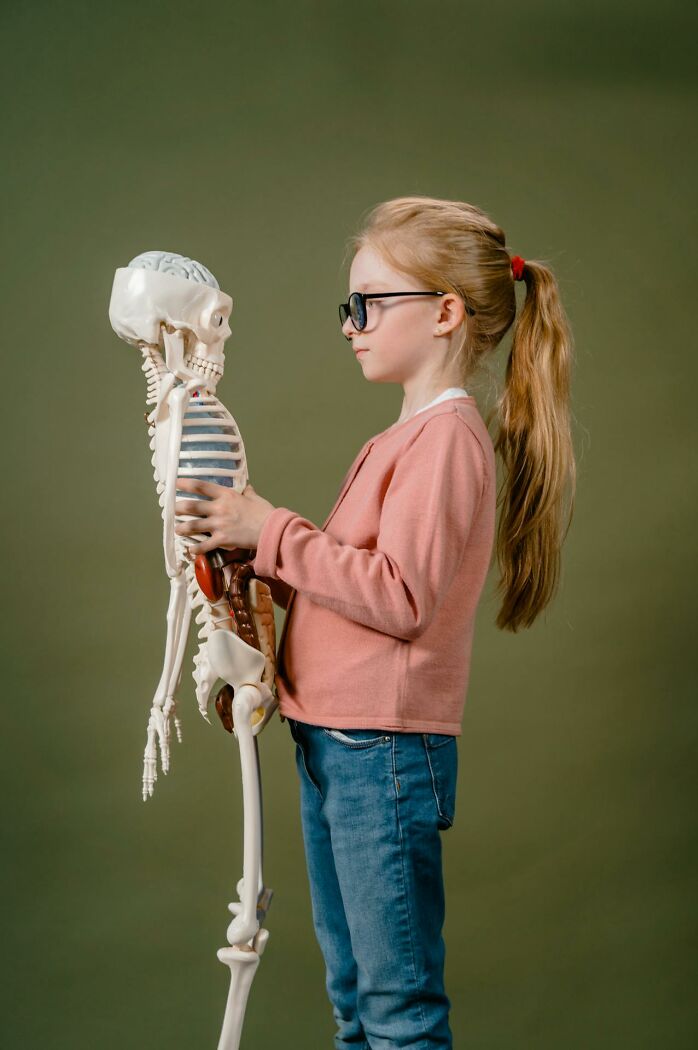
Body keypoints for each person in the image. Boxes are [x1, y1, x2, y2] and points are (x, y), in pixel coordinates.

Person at [174, 195, 576, 1049]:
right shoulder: (403, 438)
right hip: (337, 743)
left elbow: (399, 597)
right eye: (346, 307)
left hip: (382, 756)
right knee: (355, 996)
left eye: (366, 304)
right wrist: (256, 567)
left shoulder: (446, 442)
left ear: (444, 312)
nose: (350, 324)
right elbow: (354, 594)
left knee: (397, 1011)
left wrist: (271, 530)